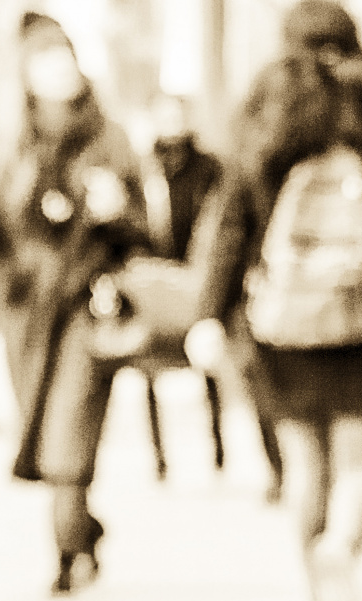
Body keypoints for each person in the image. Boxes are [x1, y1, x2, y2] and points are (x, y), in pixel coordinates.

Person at [190, 0, 362, 601]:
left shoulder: (268, 108)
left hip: (281, 320)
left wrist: (210, 313)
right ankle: (341, 545)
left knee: (304, 466)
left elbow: (232, 220)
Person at [0, 13, 148, 595]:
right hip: (24, 315)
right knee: (42, 434)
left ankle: (68, 552)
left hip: (83, 308)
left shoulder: (110, 138)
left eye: (65, 57)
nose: (59, 69)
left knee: (69, 432)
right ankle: (84, 530)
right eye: (46, 61)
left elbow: (147, 233)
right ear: (28, 74)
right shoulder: (10, 143)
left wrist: (117, 212)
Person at [139, 94, 231, 480]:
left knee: (210, 364)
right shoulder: (145, 168)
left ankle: (219, 449)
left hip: (200, 277)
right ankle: (160, 458)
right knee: (149, 368)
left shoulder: (210, 168)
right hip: (155, 280)